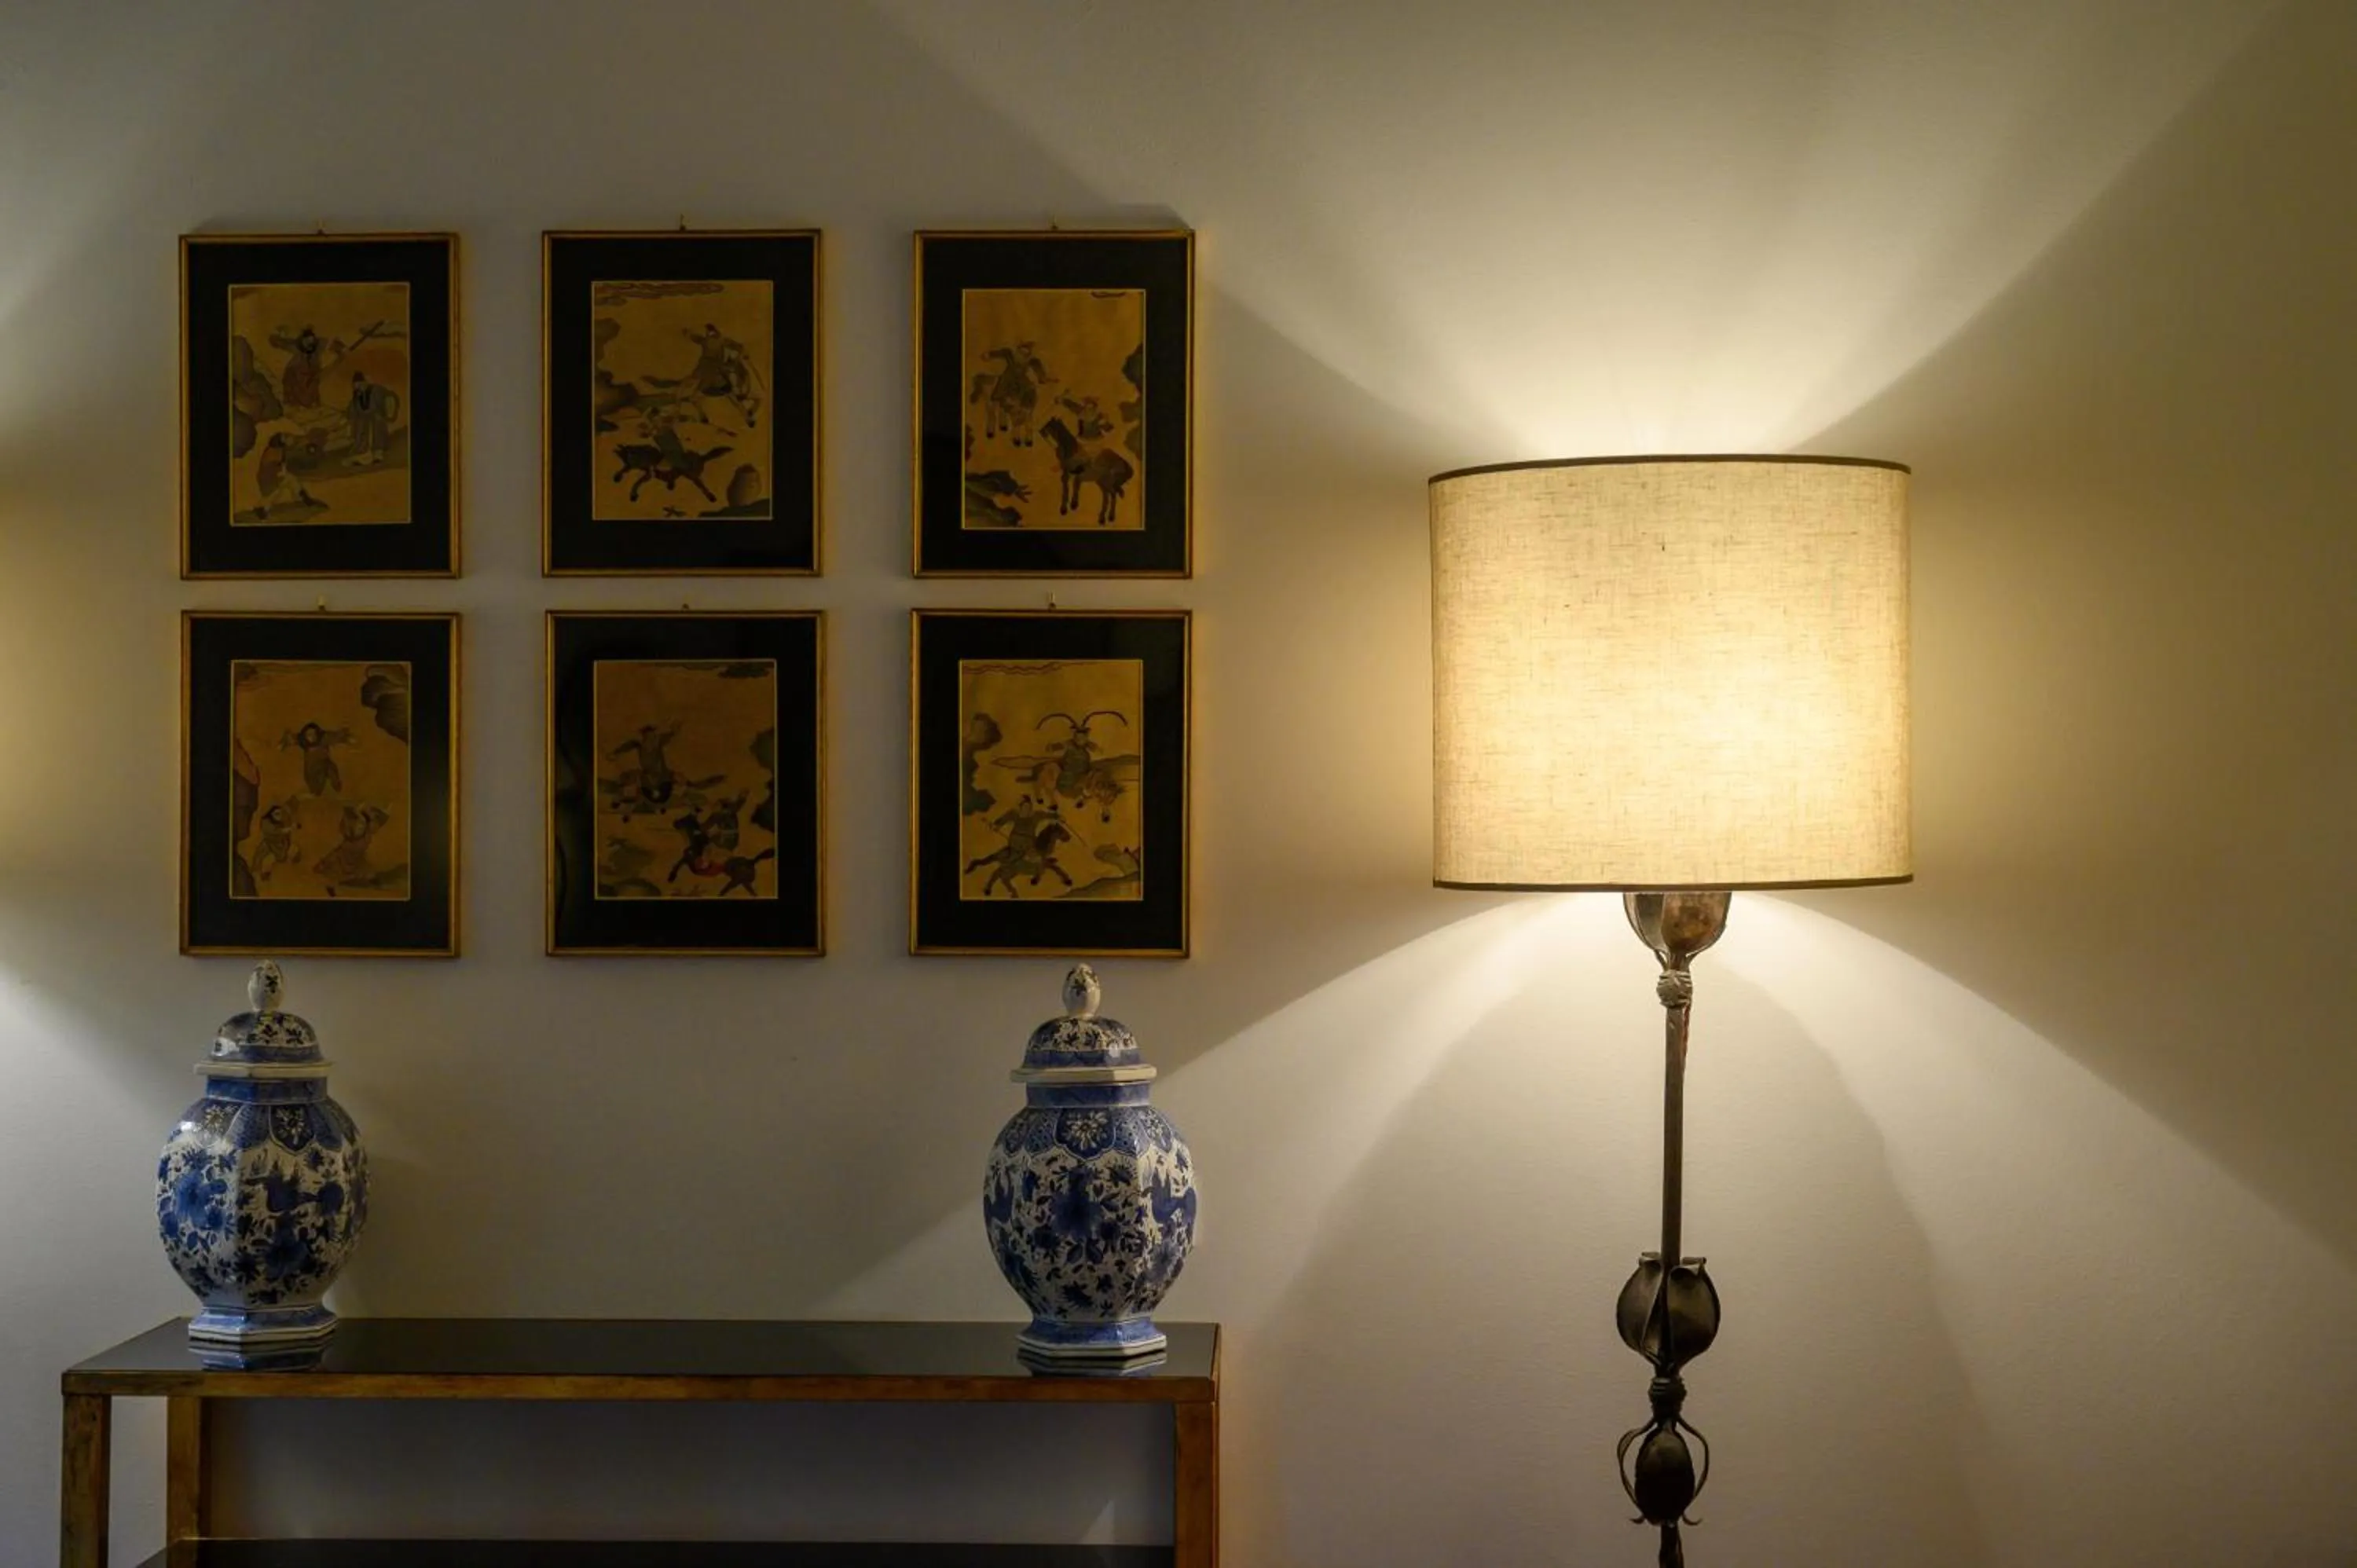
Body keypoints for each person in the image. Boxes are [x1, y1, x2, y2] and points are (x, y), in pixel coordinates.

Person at [346, 371, 399, 465]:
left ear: (364, 383)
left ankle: (378, 453)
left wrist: (391, 412)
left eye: (359, 385)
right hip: (364, 419)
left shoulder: (376, 390)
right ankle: (361, 452)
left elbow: (391, 396)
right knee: (359, 424)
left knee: (377, 421)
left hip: (377, 417)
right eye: (355, 386)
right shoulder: (357, 395)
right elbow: (353, 409)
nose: (357, 388)